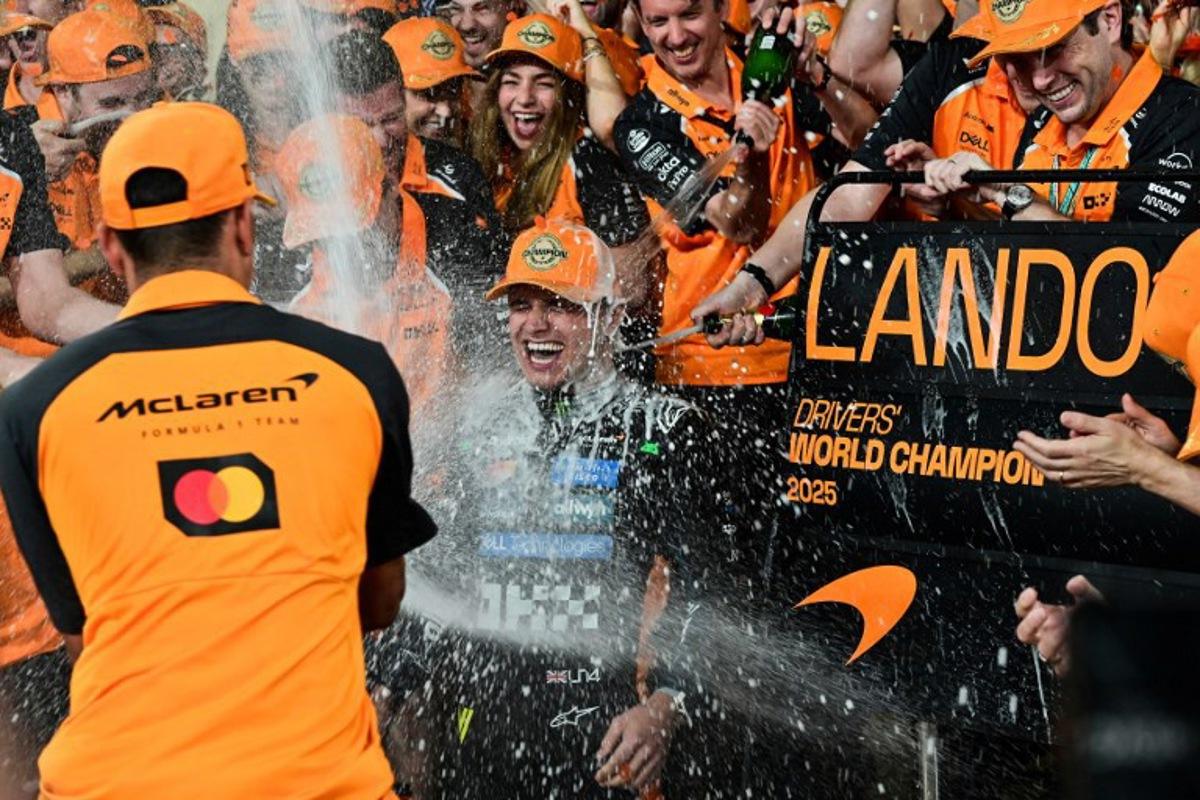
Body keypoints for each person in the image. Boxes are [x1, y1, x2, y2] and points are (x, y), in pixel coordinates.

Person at [0, 101, 436, 797]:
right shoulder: (358, 371)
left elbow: (86, 639)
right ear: (242, 225)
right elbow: (379, 603)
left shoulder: (33, 411)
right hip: (316, 782)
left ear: (110, 247)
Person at [417, 217, 713, 798]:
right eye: (522, 304)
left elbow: (707, 584)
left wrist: (669, 702)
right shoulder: (477, 421)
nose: (537, 324)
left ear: (611, 317)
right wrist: (396, 681)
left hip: (599, 728)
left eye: (562, 305)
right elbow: (437, 561)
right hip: (481, 723)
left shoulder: (663, 426)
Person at [921, 0, 1200, 222]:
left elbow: (1127, 271)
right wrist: (954, 208)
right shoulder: (1044, 118)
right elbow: (1031, 243)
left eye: (1053, 49)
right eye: (1016, 59)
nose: (1039, 81)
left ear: (1110, 20)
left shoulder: (1185, 116)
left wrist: (1004, 192)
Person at [276, 114, 458, 415]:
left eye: (354, 231)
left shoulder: (450, 249)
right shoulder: (296, 310)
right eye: (324, 236)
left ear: (388, 188)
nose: (342, 248)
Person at [324, 29, 507, 323]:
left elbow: (488, 304)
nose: (381, 139)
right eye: (361, 124)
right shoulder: (306, 179)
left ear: (402, 99)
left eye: (391, 119)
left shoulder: (458, 179)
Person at [469, 13, 650, 298]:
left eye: (543, 83)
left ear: (569, 97)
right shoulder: (491, 157)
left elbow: (633, 285)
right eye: (512, 81)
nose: (525, 97)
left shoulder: (589, 161)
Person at [23, 8, 160, 260]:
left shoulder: (162, 124)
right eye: (111, 104)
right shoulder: (23, 153)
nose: (131, 119)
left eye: (142, 99)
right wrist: (26, 176)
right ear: (62, 92)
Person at [382, 16, 478, 144]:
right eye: (428, 93)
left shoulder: (479, 150)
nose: (446, 112)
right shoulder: (356, 158)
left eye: (454, 90)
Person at [145, 2, 209, 101]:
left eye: (169, 47)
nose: (159, 57)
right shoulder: (138, 102)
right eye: (153, 46)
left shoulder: (209, 105)